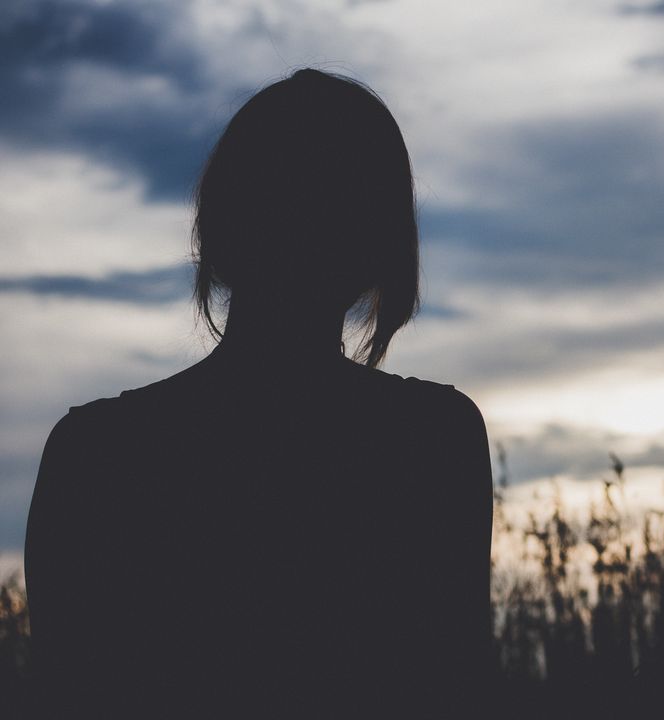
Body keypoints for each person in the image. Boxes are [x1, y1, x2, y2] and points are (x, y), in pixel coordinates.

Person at [24, 68, 494, 718]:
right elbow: (452, 685)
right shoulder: (431, 442)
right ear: (380, 247)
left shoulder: (96, 454)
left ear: (217, 231)